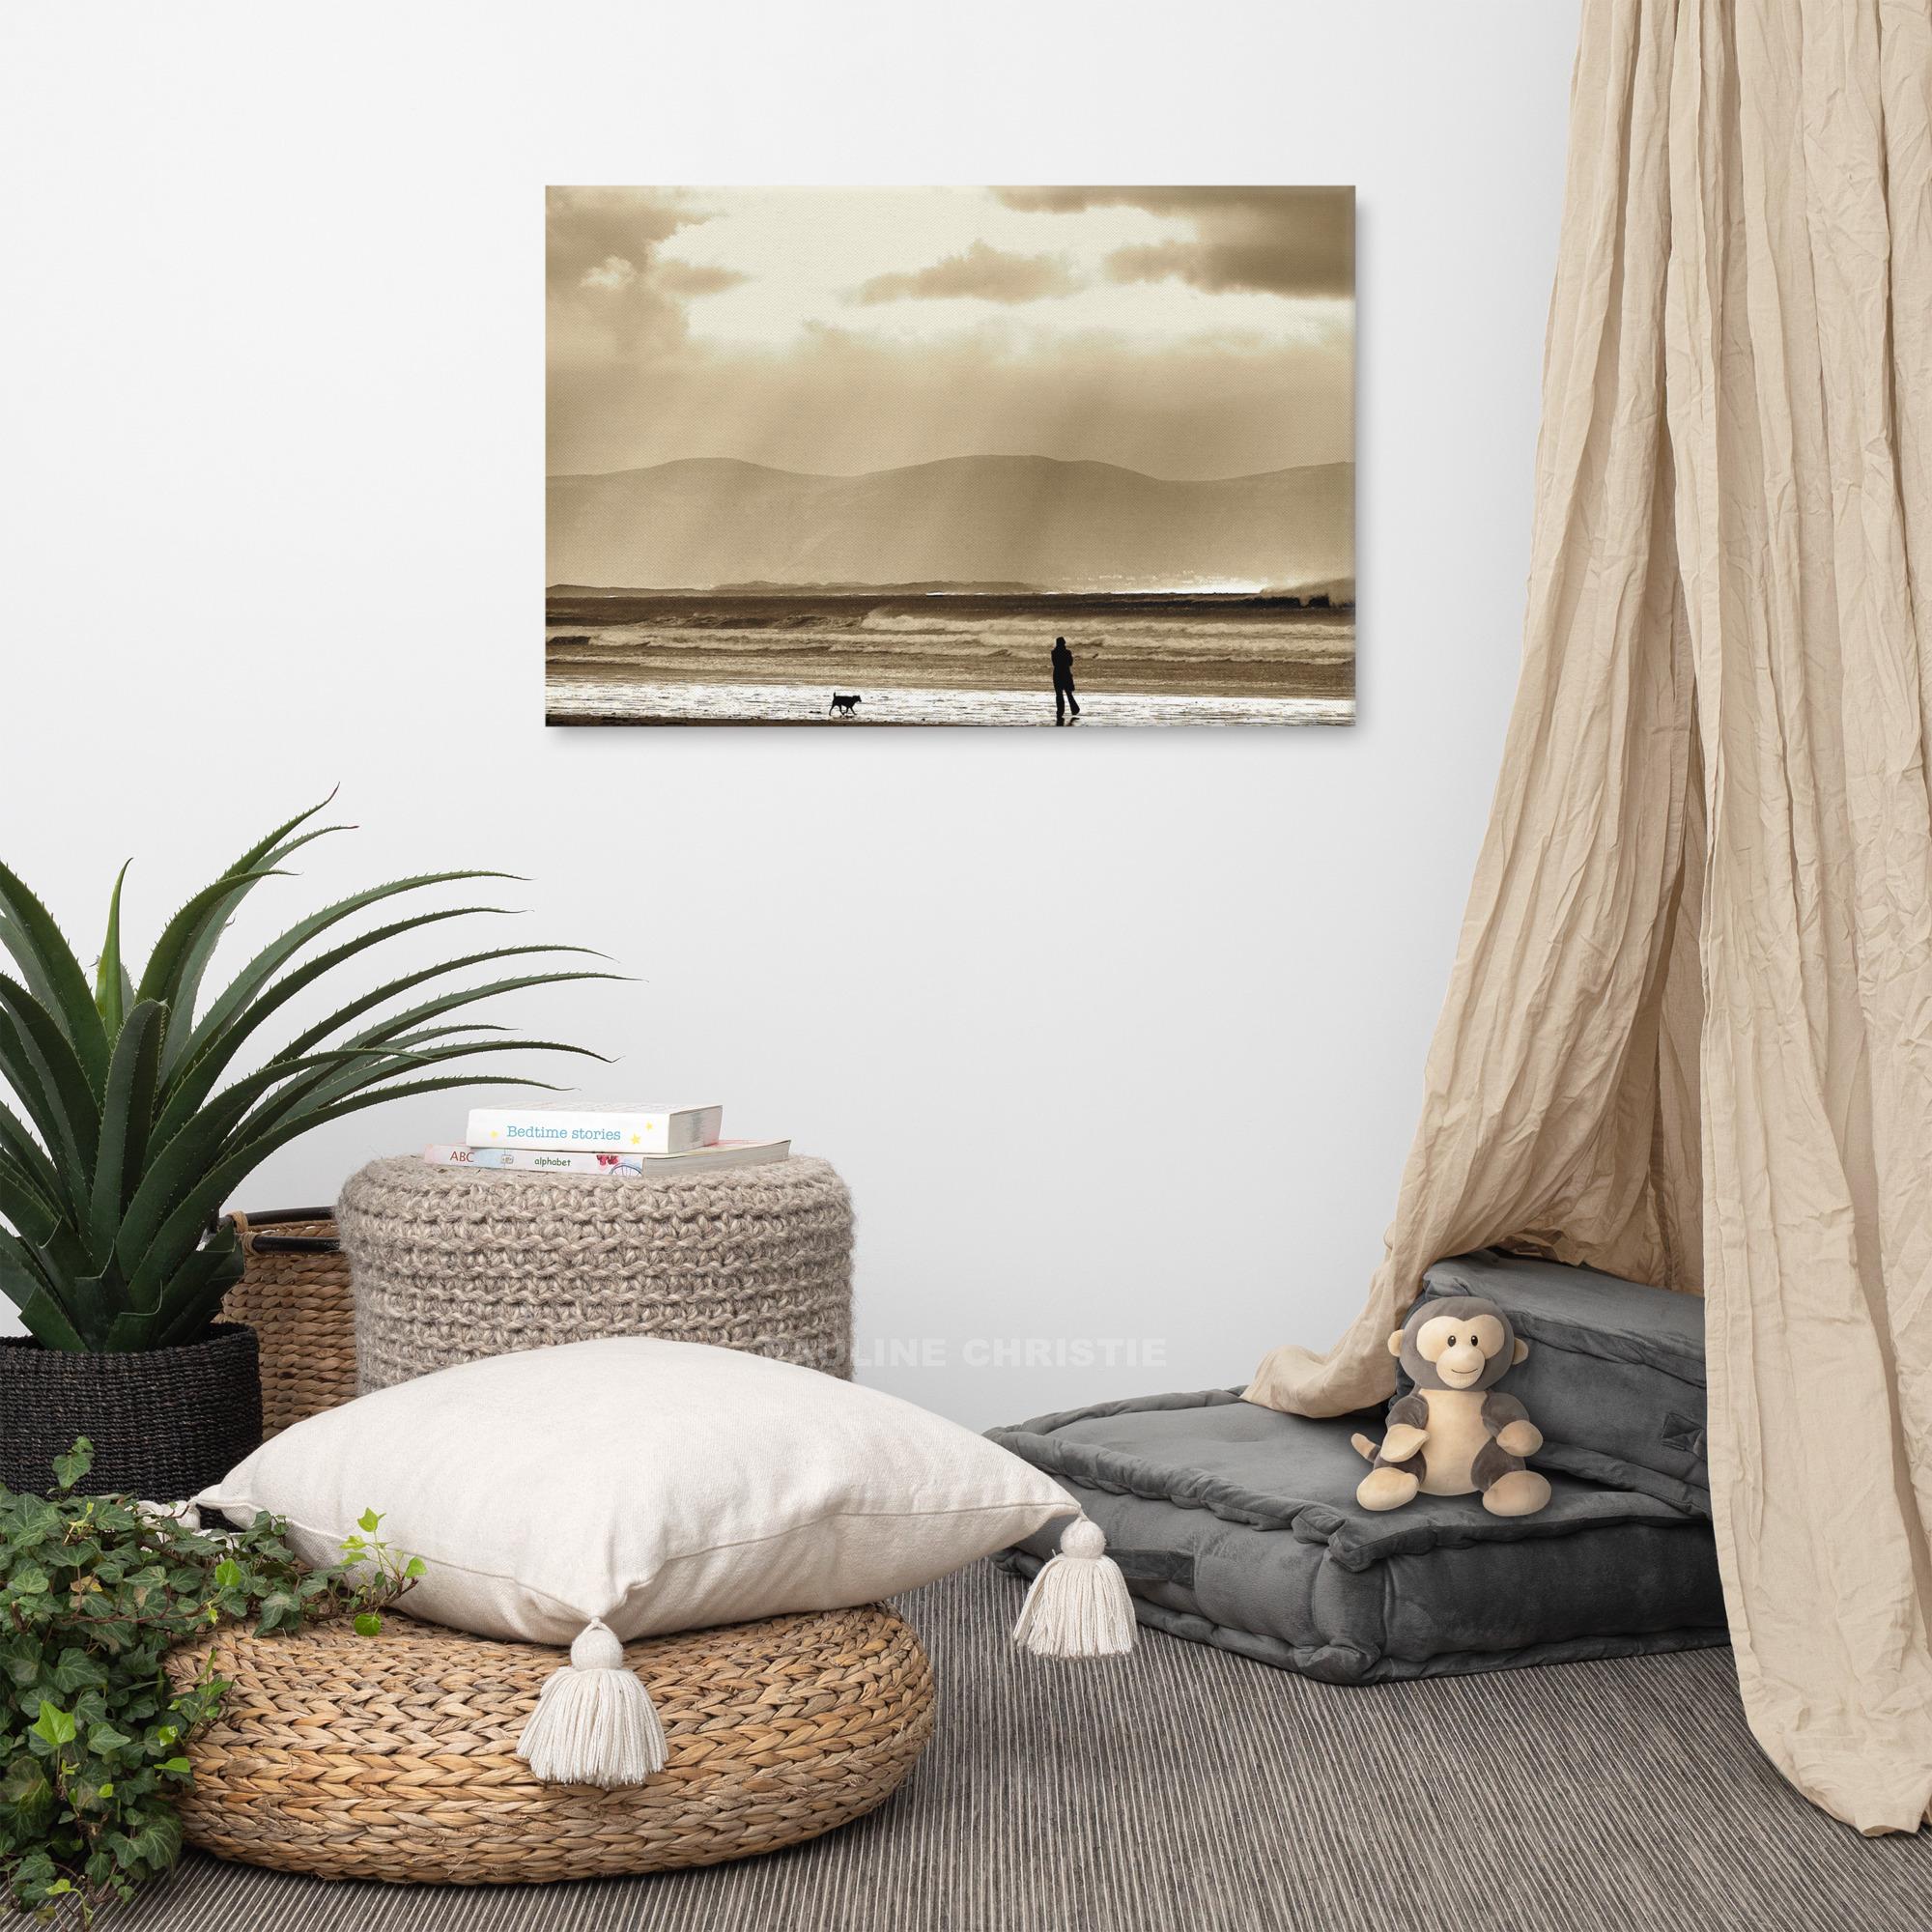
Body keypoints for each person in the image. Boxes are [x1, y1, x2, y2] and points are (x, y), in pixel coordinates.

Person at [1051, 636, 1080, 724]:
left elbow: (1054, 663)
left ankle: (1060, 711)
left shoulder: (1054, 652)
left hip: (1057, 674)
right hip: (1066, 674)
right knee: (1069, 693)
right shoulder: (1067, 652)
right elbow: (1070, 663)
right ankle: (1074, 709)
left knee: (1059, 694)